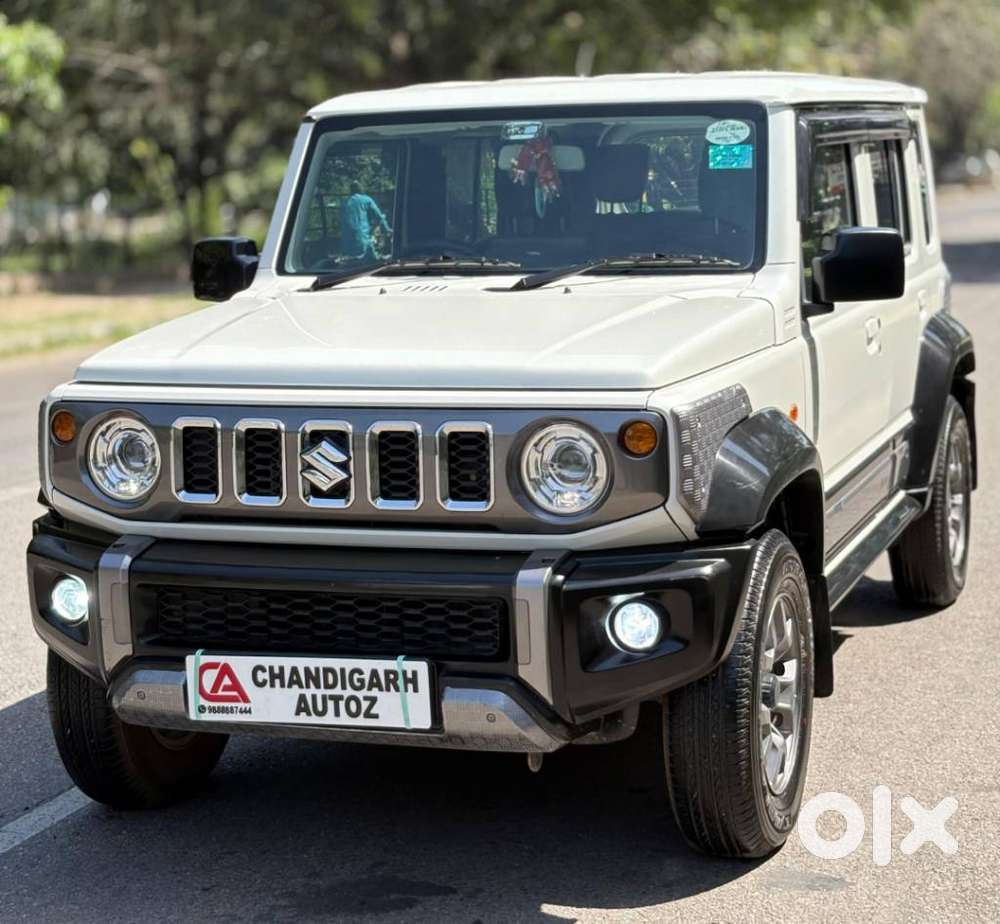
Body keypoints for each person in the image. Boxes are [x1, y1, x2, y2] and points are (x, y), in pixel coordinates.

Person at [341, 181, 392, 259]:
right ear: (361, 189)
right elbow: (379, 217)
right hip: (363, 242)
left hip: (346, 245)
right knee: (378, 259)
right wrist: (388, 230)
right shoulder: (366, 200)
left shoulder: (344, 202)